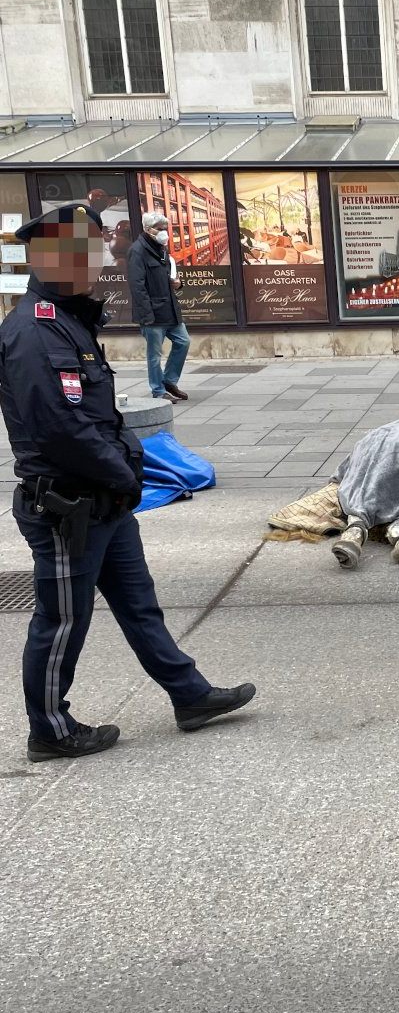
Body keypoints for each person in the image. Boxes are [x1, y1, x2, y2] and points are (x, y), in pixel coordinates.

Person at [0, 203, 255, 762]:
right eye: (74, 251)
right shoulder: (35, 330)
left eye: (92, 249)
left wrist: (128, 468)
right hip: (68, 508)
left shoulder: (69, 319)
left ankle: (189, 696)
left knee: (140, 606)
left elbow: (101, 415)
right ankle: (50, 730)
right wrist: (124, 474)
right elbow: (60, 429)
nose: (89, 261)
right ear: (44, 258)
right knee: (62, 621)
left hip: (105, 502)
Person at [127, 210, 190, 403]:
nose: (164, 232)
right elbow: (137, 286)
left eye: (165, 228)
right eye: (159, 228)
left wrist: (178, 284)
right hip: (152, 313)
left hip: (170, 310)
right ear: (148, 229)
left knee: (183, 342)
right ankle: (158, 390)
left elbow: (168, 276)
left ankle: (169, 381)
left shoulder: (162, 248)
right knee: (154, 355)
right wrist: (147, 315)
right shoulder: (138, 251)